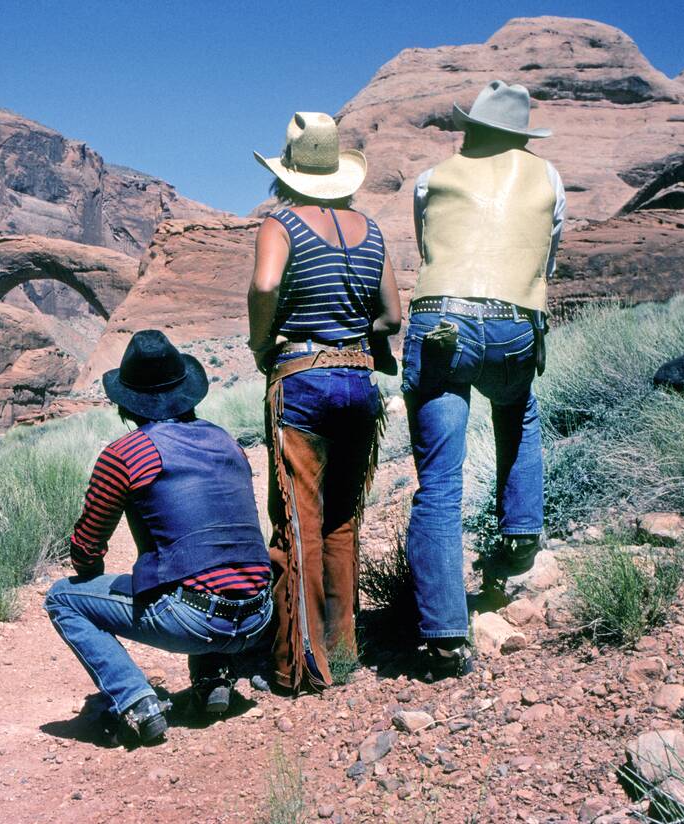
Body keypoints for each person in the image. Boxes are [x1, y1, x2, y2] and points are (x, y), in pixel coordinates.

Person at [403, 80, 566, 678]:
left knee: (439, 483)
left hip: (442, 319)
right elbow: (548, 256)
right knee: (518, 408)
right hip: (513, 323)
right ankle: (521, 533)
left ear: (470, 127)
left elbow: (429, 246)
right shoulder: (547, 177)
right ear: (522, 135)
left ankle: (445, 639)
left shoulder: (431, 177)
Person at [44, 330, 273, 746]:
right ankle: (213, 680)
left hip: (194, 619)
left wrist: (91, 576)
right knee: (208, 560)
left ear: (126, 401)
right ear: (187, 390)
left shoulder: (127, 453)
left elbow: (87, 546)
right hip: (258, 614)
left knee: (62, 598)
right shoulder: (226, 441)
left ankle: (136, 701)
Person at [248, 112, 402, 693]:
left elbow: (265, 287)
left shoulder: (279, 224)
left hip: (302, 382)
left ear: (287, 172)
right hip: (360, 382)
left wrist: (264, 340)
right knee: (342, 521)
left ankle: (296, 668)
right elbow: (391, 315)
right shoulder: (372, 230)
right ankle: (342, 652)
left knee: (296, 523)